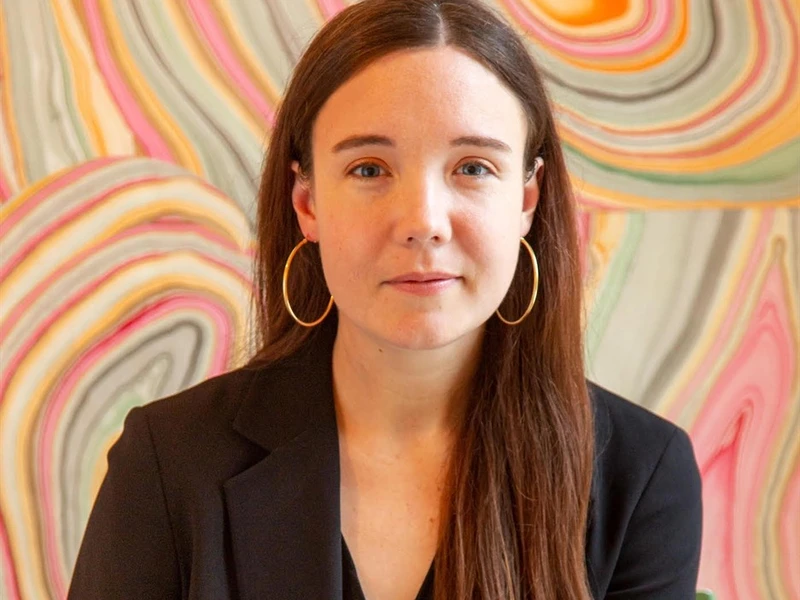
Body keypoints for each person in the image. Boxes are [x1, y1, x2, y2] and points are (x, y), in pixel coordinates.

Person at [67, 0, 703, 598]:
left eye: (473, 167)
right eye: (369, 168)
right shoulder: (169, 460)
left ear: (527, 200)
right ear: (307, 202)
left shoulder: (642, 479)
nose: (422, 221)